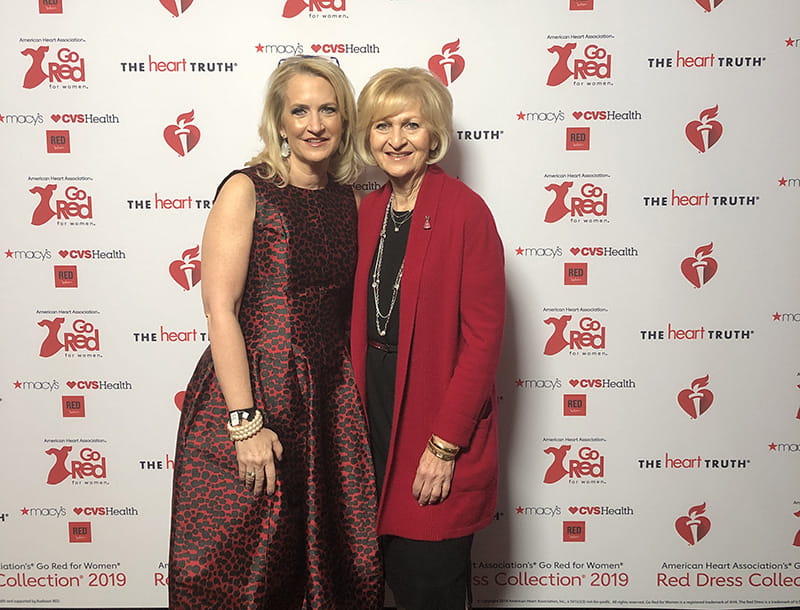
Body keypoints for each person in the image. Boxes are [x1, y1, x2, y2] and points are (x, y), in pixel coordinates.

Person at [169, 56, 383, 609]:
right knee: (241, 571)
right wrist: (244, 423)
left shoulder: (350, 200)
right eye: (300, 111)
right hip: (253, 394)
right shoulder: (248, 188)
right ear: (280, 122)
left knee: (330, 568)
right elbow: (221, 307)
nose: (315, 124)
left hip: (329, 405)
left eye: (328, 109)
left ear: (345, 119)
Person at [351, 67, 506, 609]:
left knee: (429, 580)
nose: (396, 139)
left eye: (411, 124)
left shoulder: (467, 212)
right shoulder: (368, 210)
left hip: (432, 418)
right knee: (384, 579)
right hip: (372, 410)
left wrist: (445, 445)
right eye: (382, 125)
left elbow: (483, 341)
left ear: (434, 133)